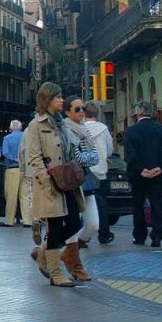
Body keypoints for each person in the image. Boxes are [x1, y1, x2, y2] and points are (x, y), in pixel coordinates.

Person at [24, 82, 81, 288]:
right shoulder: (36, 125)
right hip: (50, 183)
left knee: (76, 223)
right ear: (47, 99)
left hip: (68, 182)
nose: (61, 100)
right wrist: (46, 178)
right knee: (56, 227)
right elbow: (34, 156)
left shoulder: (63, 123)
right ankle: (56, 273)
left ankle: (42, 253)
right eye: (58, 97)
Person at [61, 97, 101, 281]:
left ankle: (60, 254)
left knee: (93, 224)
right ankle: (73, 261)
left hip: (86, 179)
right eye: (77, 109)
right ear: (68, 112)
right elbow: (78, 157)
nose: (82, 111)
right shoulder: (67, 130)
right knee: (72, 224)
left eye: (83, 108)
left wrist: (88, 157)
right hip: (72, 179)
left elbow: (95, 157)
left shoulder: (84, 129)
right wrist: (88, 157)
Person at [123, 101, 162, 247]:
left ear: (138, 113)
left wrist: (141, 169)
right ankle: (157, 234)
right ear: (152, 113)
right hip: (157, 174)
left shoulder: (131, 131)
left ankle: (139, 235)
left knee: (138, 205)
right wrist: (160, 168)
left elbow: (130, 154)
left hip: (138, 175)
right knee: (157, 205)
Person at [82, 103, 114, 244]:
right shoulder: (103, 129)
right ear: (96, 114)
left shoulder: (79, 129)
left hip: (85, 171)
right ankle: (104, 234)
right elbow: (109, 148)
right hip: (100, 170)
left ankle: (85, 235)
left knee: (84, 204)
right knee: (101, 204)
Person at [0, 118, 27, 227]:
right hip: (25, 170)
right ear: (21, 128)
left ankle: (9, 220)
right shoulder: (26, 137)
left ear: (10, 128)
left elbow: (5, 152)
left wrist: (14, 158)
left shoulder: (7, 138)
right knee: (25, 196)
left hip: (12, 169)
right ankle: (28, 220)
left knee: (11, 196)